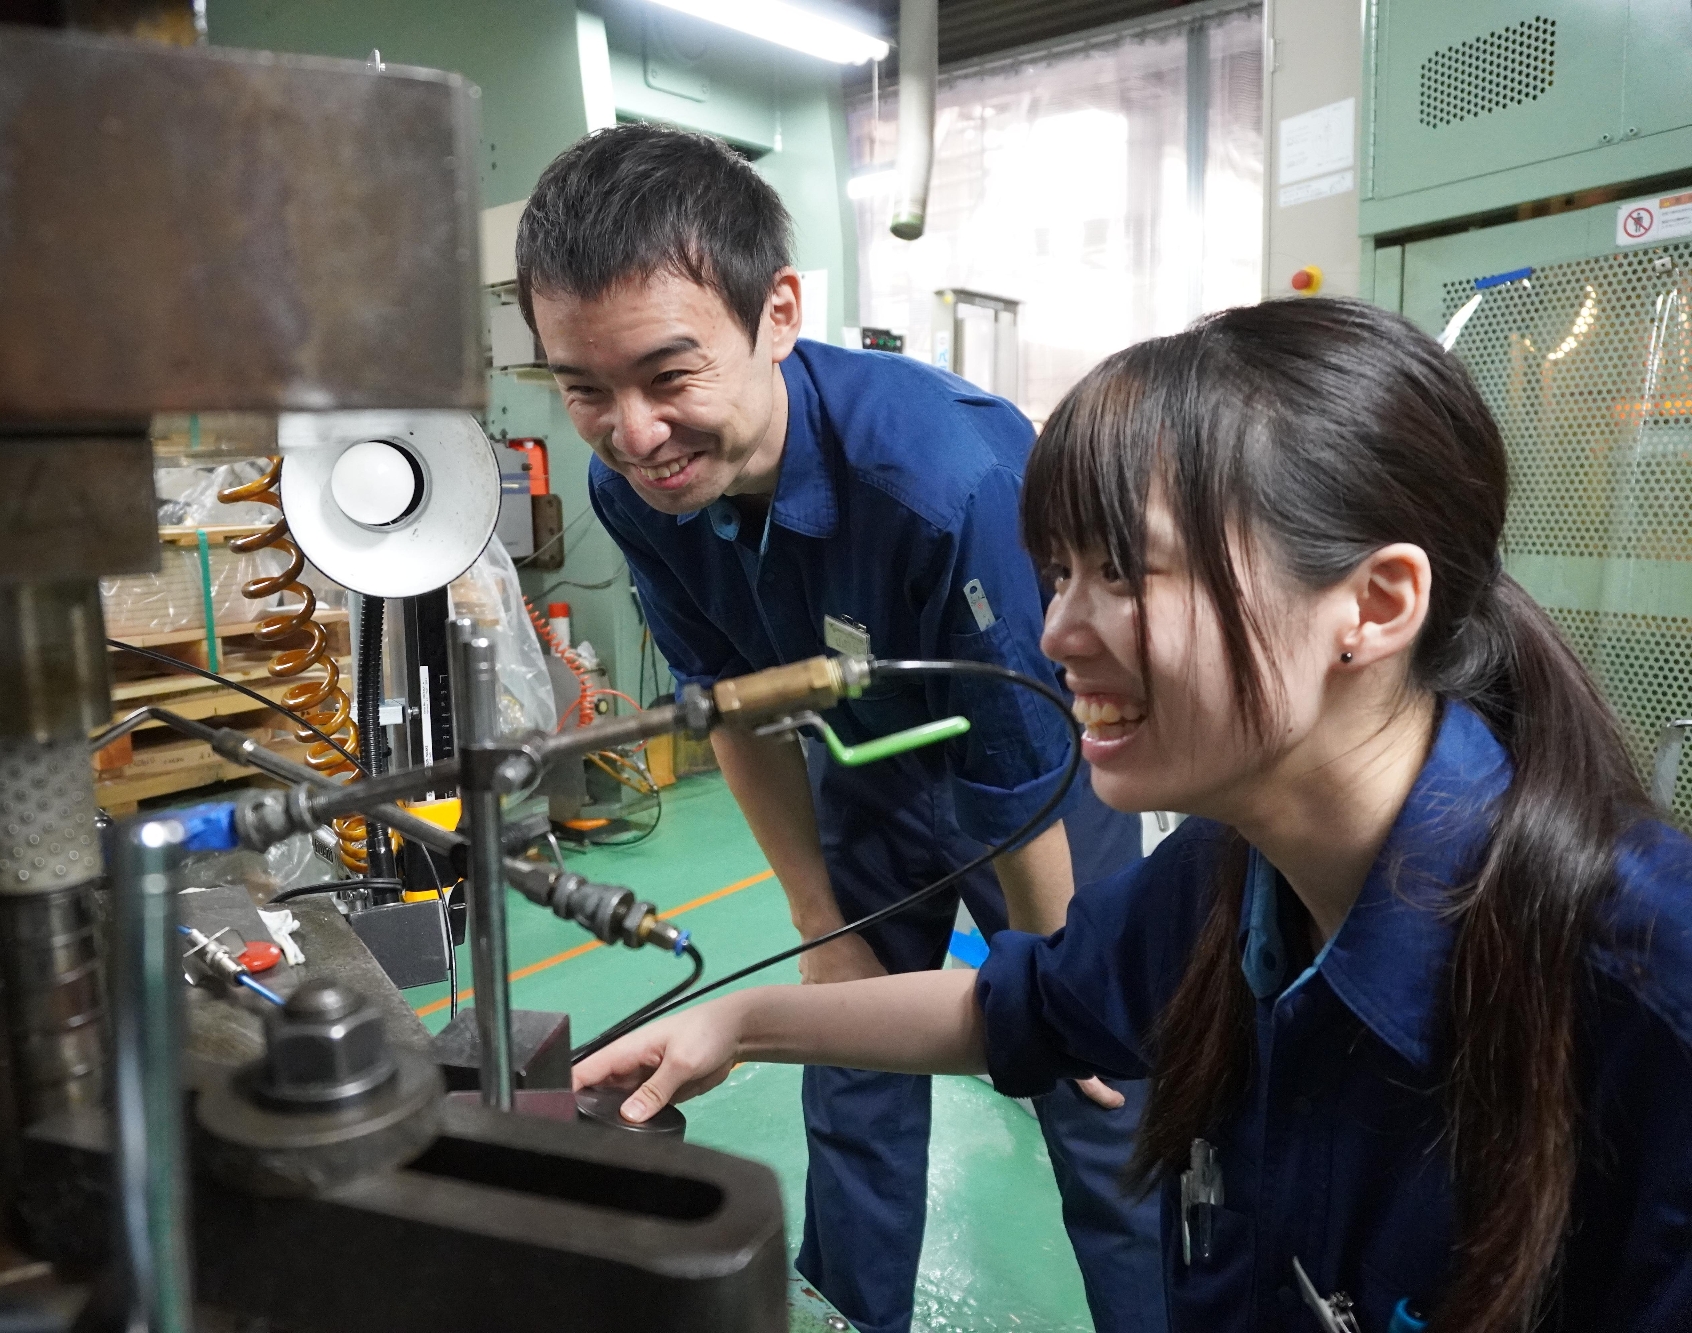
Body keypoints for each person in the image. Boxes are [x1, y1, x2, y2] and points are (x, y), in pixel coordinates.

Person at [573, 295, 1692, 1331]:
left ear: (1374, 601)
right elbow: (1022, 1003)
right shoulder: (1223, 873)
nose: (1056, 632)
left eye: (1125, 573)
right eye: (1055, 573)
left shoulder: (1644, 985)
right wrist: (740, 1021)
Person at [514, 123, 1163, 1333]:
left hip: (1029, 785)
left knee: (1092, 1088)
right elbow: (730, 715)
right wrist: (819, 920)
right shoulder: (635, 486)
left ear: (776, 314)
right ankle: (844, 1314)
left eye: (668, 376)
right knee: (848, 1059)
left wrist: (1053, 984)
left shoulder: (943, 479)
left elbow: (1013, 761)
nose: (632, 432)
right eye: (582, 389)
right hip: (861, 775)